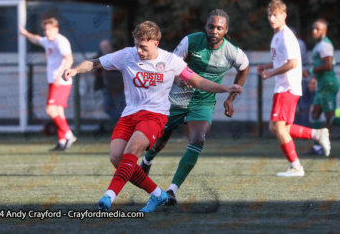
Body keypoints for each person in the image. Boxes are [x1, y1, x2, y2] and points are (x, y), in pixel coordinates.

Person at [62, 21, 242, 213]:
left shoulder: (171, 61)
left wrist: (226, 88)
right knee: (116, 158)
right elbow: (95, 62)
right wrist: (75, 70)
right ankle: (158, 194)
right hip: (129, 115)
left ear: (156, 43)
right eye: (137, 45)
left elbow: (198, 81)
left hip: (155, 116)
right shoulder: (126, 54)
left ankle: (109, 196)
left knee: (131, 152)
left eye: (143, 46)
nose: (138, 50)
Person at [140, 9, 250, 206]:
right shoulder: (190, 41)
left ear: (226, 30)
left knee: (198, 139)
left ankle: (172, 190)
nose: (214, 30)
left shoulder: (233, 52)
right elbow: (171, 64)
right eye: (211, 26)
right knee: (159, 141)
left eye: (219, 28)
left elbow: (244, 68)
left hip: (203, 102)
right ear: (205, 27)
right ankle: (147, 161)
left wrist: (231, 99)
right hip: (177, 97)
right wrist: (178, 79)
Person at [258, 0, 330, 177]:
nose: (272, 18)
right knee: (277, 128)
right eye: (269, 14)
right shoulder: (276, 36)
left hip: (287, 88)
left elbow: (292, 63)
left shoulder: (286, 36)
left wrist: (270, 74)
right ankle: (316, 134)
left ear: (284, 15)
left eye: (275, 14)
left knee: (278, 128)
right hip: (281, 88)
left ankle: (296, 166)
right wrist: (267, 67)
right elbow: (279, 60)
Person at [20, 18, 76, 151]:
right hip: (54, 81)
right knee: (58, 112)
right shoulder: (47, 41)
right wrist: (25, 34)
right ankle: (62, 142)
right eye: (45, 29)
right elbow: (36, 39)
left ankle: (69, 135)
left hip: (61, 81)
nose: (47, 32)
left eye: (50, 29)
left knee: (50, 110)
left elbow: (70, 59)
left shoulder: (61, 41)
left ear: (56, 29)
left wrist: (59, 76)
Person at [302, 19, 340, 154]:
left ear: (324, 31)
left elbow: (328, 65)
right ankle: (317, 147)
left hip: (328, 85)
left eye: (317, 29)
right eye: (313, 28)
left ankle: (318, 146)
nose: (314, 31)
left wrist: (311, 72)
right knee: (315, 114)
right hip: (322, 85)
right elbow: (320, 66)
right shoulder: (319, 45)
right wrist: (314, 79)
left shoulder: (325, 45)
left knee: (330, 118)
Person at [93, 39, 125, 128]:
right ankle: (120, 123)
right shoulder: (99, 56)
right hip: (106, 87)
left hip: (118, 87)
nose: (104, 48)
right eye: (103, 47)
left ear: (110, 46)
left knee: (120, 107)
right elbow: (93, 66)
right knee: (107, 107)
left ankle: (122, 125)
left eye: (106, 46)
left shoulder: (116, 56)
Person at [290, 27, 314, 128]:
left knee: (297, 104)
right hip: (301, 78)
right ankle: (300, 128)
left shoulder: (295, 44)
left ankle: (299, 128)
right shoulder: (300, 43)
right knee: (301, 104)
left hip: (300, 78)